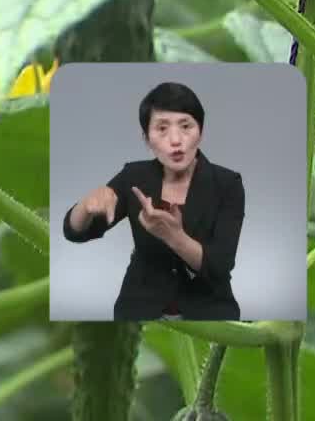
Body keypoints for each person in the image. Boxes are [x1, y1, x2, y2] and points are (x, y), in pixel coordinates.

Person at [61, 80, 245, 320]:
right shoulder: (134, 176)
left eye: (186, 126)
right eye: (162, 129)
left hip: (208, 309)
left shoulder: (227, 184)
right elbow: (76, 232)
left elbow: (220, 266)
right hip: (140, 306)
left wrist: (174, 237)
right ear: (147, 139)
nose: (175, 140)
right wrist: (85, 207)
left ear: (200, 132)